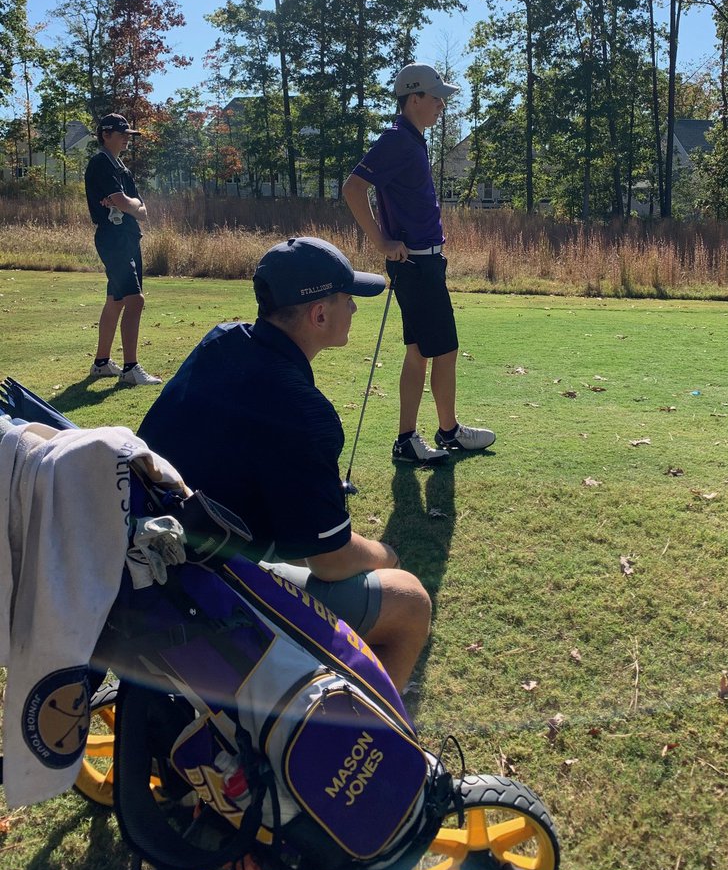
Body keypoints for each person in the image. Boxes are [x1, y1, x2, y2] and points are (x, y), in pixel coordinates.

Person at [138, 236, 432, 690]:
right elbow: (330, 561)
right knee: (409, 599)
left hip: (148, 560)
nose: (354, 308)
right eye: (347, 298)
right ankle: (370, 739)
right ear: (319, 314)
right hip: (205, 592)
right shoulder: (304, 411)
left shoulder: (220, 341)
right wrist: (386, 554)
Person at [343, 62, 495, 466]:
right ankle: (448, 433)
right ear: (415, 99)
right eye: (437, 97)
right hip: (416, 264)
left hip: (422, 263)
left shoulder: (412, 140)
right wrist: (381, 241)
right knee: (444, 349)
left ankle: (409, 439)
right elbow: (353, 188)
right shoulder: (397, 140)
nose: (442, 105)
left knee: (421, 351)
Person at [83, 113, 161, 385]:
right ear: (106, 135)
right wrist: (129, 205)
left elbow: (140, 207)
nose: (128, 138)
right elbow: (125, 203)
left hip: (128, 237)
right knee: (135, 300)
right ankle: (131, 369)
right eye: (122, 133)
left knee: (115, 300)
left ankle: (102, 363)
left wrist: (129, 205)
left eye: (129, 134)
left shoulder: (121, 168)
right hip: (113, 239)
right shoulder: (100, 164)